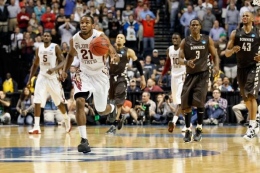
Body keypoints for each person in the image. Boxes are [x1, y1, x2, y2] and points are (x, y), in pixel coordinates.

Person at [61, 15, 119, 153]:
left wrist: (113, 56)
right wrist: (64, 71)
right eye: (82, 22)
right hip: (84, 74)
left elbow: (110, 48)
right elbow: (70, 55)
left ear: (93, 25)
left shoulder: (99, 36)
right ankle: (84, 140)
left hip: (100, 75)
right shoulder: (75, 39)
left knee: (100, 110)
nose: (84, 25)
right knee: (79, 101)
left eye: (87, 23)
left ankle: (112, 109)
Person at [178, 18, 220, 143]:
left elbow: (215, 54)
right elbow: (179, 59)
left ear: (200, 26)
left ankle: (199, 128)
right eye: (192, 25)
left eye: (196, 25)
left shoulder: (207, 39)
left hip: (203, 74)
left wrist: (216, 66)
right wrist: (186, 62)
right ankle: (188, 129)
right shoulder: (185, 41)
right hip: (190, 75)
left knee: (200, 100)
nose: (195, 26)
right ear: (190, 27)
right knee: (186, 103)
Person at [225, 11, 260, 140]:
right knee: (246, 99)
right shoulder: (236, 33)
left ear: (252, 18)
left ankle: (251, 126)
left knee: (251, 95)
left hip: (254, 66)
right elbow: (227, 53)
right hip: (241, 68)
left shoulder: (258, 32)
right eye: (243, 16)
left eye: (247, 16)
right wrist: (232, 50)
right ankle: (255, 122)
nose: (245, 17)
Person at [26, 32, 71, 134]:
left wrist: (54, 69)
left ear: (50, 37)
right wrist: (29, 79)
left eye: (48, 35)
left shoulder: (55, 47)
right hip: (42, 76)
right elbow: (35, 64)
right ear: (42, 37)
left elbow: (63, 61)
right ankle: (36, 126)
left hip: (53, 78)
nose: (46, 37)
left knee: (58, 102)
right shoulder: (39, 49)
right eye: (44, 35)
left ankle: (66, 119)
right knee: (37, 100)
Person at [106, 34, 146, 134]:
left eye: (121, 37)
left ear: (124, 41)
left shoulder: (129, 51)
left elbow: (138, 64)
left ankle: (114, 125)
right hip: (110, 78)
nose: (118, 38)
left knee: (118, 101)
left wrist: (142, 78)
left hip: (121, 78)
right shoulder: (110, 50)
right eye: (117, 37)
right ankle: (119, 119)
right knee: (111, 102)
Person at [159, 33, 186, 133]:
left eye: (176, 38)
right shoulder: (169, 49)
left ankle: (173, 122)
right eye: (173, 38)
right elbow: (167, 64)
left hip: (182, 76)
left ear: (180, 40)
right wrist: (162, 76)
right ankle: (189, 124)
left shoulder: (184, 49)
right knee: (178, 103)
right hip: (173, 77)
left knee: (179, 102)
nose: (174, 40)